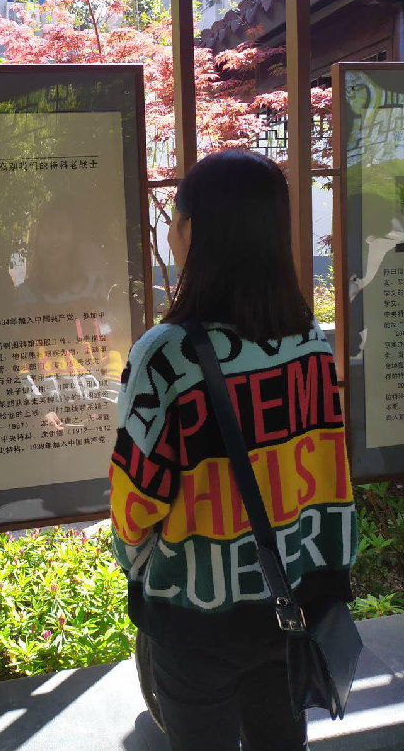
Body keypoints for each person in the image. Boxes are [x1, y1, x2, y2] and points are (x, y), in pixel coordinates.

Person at [109, 150, 357, 751]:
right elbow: (329, 473)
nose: (170, 233)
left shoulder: (167, 355)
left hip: (196, 619)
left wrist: (138, 566)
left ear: (193, 232)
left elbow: (135, 504)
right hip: (292, 602)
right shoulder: (309, 342)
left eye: (175, 220)